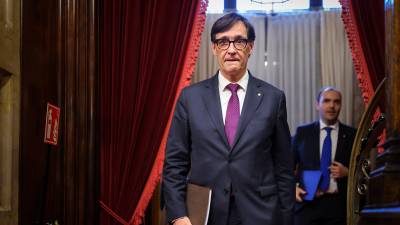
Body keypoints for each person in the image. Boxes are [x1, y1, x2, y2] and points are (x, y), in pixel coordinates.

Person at [162, 13, 294, 225]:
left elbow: (284, 168)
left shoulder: (273, 98)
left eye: (239, 41)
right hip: (204, 215)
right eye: (223, 42)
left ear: (250, 47)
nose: (231, 49)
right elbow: (174, 163)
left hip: (260, 215)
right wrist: (178, 215)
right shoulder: (190, 98)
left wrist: (286, 220)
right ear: (214, 48)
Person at [292, 87, 356, 225]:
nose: (332, 105)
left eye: (336, 102)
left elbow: (366, 170)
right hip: (306, 205)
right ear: (317, 105)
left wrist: (348, 173)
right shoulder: (303, 132)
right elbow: (284, 166)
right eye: (326, 101)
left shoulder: (352, 135)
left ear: (341, 106)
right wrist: (292, 188)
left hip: (339, 207)